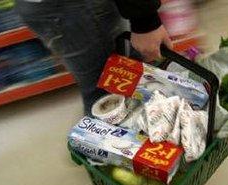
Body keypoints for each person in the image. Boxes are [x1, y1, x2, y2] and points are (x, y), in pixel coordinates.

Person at [15, 0, 172, 115]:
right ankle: (109, 150)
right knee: (105, 92)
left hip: (49, 7)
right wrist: (145, 21)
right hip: (72, 8)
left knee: (119, 75)